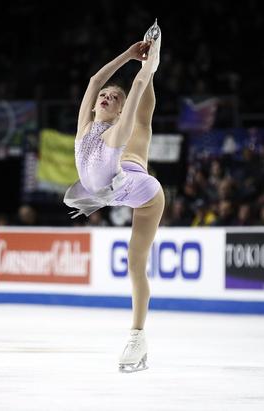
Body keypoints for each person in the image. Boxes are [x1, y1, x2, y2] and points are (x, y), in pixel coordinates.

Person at [64, 21, 164, 373]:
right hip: (109, 189)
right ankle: (104, 193)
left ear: (121, 111)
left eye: (115, 98)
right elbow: (93, 82)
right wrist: (128, 53)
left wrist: (148, 65)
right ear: (94, 107)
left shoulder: (118, 133)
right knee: (139, 130)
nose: (107, 97)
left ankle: (137, 337)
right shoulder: (85, 128)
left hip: (146, 194)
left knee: (135, 264)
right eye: (104, 97)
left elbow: (137, 91)